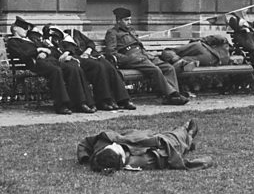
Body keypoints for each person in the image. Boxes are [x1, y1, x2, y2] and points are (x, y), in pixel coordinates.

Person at [6, 16, 96, 114]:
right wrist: (38, 50)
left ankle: (81, 102)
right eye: (24, 28)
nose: (26, 31)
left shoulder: (32, 39)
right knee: (55, 71)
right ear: (15, 28)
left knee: (73, 68)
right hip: (36, 63)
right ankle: (61, 105)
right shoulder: (13, 42)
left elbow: (50, 49)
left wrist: (46, 51)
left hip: (50, 60)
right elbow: (22, 54)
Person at [104, 7, 189, 105]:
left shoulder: (131, 31)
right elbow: (111, 52)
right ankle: (173, 95)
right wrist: (128, 59)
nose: (129, 22)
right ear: (118, 21)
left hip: (143, 55)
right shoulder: (112, 33)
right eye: (126, 20)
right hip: (131, 57)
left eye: (130, 19)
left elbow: (139, 45)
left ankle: (172, 96)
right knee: (155, 70)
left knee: (168, 67)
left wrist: (147, 54)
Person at [43, 26, 136, 111]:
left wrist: (88, 50)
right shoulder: (60, 42)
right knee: (99, 67)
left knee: (110, 67)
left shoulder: (74, 33)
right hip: (81, 59)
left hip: (92, 55)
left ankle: (123, 100)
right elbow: (66, 52)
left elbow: (90, 43)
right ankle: (103, 100)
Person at [77, 119, 213, 172]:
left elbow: (85, 143)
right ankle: (188, 132)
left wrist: (85, 158)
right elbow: (170, 157)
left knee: (169, 136)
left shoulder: (103, 142)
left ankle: (186, 134)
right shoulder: (140, 161)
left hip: (137, 137)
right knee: (176, 137)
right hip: (162, 143)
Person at [159, 34, 231, 72]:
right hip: (214, 60)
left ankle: (180, 61)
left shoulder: (198, 45)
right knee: (186, 59)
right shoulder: (226, 52)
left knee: (169, 52)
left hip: (207, 55)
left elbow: (171, 51)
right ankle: (181, 61)